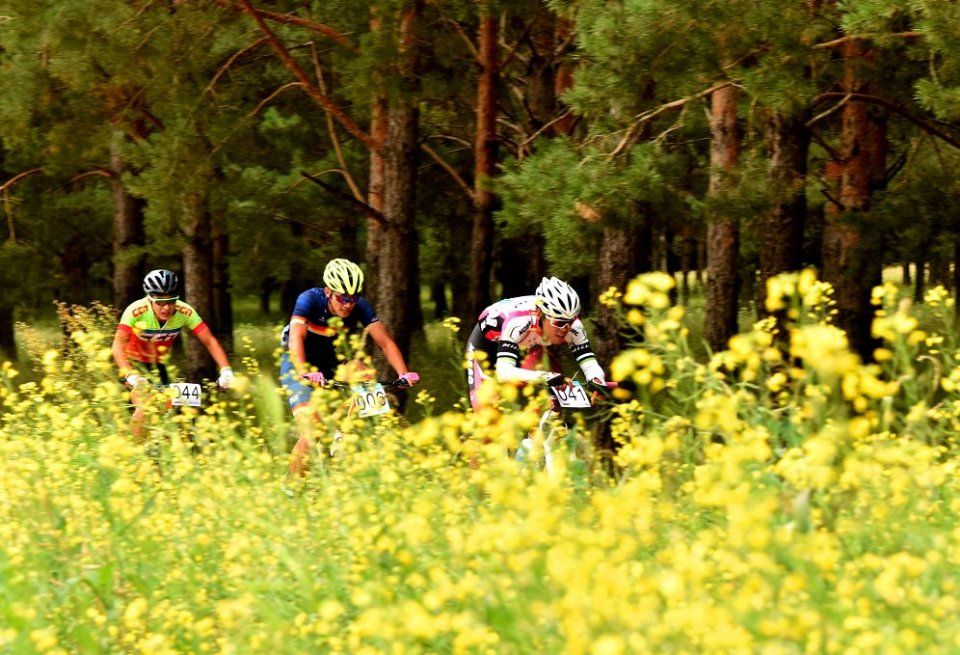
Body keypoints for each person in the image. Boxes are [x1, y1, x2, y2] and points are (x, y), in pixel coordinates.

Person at [280, 258, 419, 476]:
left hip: (332, 365)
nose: (348, 304)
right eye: (342, 298)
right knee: (312, 430)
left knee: (362, 369)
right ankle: (292, 485)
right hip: (298, 364)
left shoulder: (359, 306)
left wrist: (403, 373)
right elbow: (296, 339)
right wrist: (304, 372)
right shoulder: (309, 300)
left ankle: (340, 434)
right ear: (328, 291)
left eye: (353, 298)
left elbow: (384, 342)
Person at [111, 269, 234, 438]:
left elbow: (209, 340)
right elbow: (117, 344)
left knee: (165, 416)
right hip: (132, 365)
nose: (166, 307)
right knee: (146, 407)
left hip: (158, 366)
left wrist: (226, 370)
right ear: (150, 299)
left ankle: (157, 457)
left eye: (171, 301)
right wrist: (130, 374)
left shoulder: (185, 311)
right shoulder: (136, 310)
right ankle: (130, 456)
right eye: (160, 302)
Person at [465, 276, 611, 411]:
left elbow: (589, 363)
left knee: (553, 398)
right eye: (559, 323)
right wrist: (546, 377)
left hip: (529, 344)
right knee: (485, 410)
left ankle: (536, 435)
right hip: (487, 344)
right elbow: (504, 372)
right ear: (541, 315)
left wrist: (597, 380)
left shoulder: (574, 326)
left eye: (570, 322)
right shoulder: (517, 322)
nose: (565, 329)